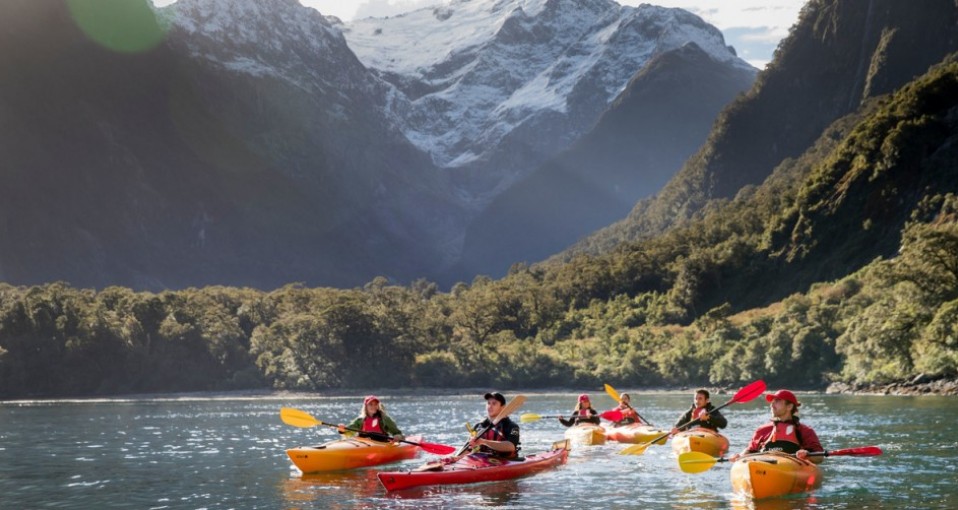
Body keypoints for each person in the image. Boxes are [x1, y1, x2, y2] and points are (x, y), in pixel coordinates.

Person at [729, 389, 823, 462]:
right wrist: (739, 456)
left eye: (777, 401)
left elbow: (820, 457)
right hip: (763, 465)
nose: (772, 404)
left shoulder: (804, 430)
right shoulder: (762, 430)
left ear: (789, 407)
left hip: (792, 466)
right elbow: (750, 450)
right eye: (772, 401)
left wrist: (807, 454)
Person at [467, 391, 520, 458]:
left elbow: (511, 446)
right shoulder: (479, 426)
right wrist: (456, 458)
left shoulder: (512, 426)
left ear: (503, 407)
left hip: (505, 461)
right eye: (488, 403)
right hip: (481, 462)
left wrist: (484, 442)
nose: (490, 406)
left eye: (494, 404)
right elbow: (468, 448)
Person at [338, 395, 404, 442]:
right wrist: (342, 430)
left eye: (375, 404)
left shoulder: (385, 419)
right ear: (366, 407)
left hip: (381, 443)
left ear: (378, 406)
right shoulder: (360, 420)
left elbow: (397, 433)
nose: (374, 406)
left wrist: (398, 436)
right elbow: (348, 431)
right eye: (371, 404)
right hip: (363, 443)